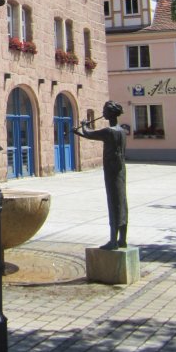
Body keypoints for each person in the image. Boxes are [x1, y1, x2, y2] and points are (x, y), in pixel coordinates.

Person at [74, 101, 128, 249]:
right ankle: (122, 239)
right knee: (122, 202)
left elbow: (90, 133)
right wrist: (78, 132)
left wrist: (83, 125)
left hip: (111, 170)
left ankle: (113, 241)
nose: (102, 112)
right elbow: (90, 135)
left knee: (114, 203)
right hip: (121, 170)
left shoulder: (109, 131)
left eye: (104, 110)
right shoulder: (122, 131)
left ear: (110, 113)